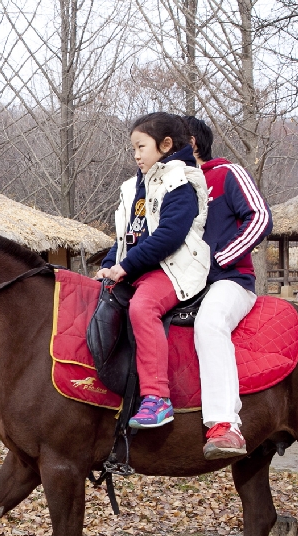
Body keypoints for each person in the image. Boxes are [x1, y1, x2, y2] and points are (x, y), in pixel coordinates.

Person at [94, 112, 210, 429]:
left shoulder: (183, 181)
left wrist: (126, 266)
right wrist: (109, 267)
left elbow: (169, 236)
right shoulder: (137, 186)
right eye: (133, 148)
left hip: (174, 268)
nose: (135, 154)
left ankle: (157, 398)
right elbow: (127, 235)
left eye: (141, 146)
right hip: (142, 267)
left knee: (143, 307)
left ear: (165, 144)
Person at [182, 116, 273, 459]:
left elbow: (260, 218)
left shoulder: (227, 173)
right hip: (180, 284)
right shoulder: (173, 186)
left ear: (191, 142)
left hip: (229, 281)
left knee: (210, 322)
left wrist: (219, 259)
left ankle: (224, 425)